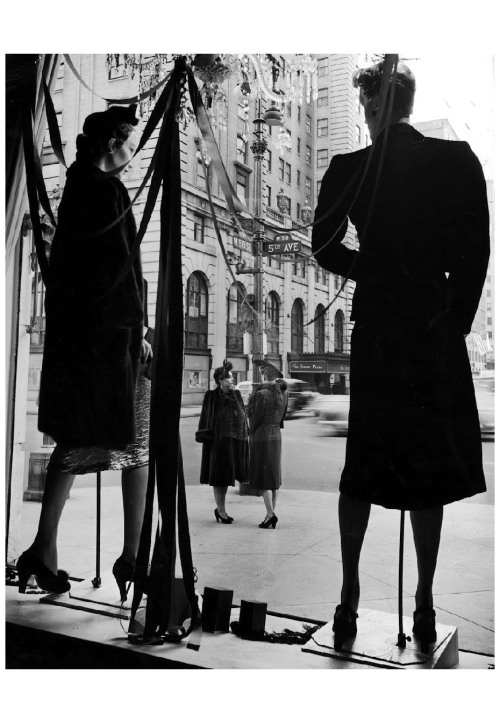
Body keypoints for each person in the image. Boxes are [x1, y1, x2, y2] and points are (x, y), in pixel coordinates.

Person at [312, 60, 490, 652]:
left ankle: (349, 598)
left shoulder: (352, 170)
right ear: (409, 102)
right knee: (428, 472)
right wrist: (453, 313)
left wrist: (372, 270)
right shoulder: (455, 162)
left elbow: (324, 242)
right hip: (431, 331)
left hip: (382, 329)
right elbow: (475, 249)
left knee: (364, 462)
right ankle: (423, 600)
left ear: (369, 108)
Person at [17, 104, 153, 602]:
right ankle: (132, 556)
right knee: (135, 443)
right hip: (110, 345)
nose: (134, 153)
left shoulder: (78, 188)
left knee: (76, 441)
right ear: (115, 143)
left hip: (84, 342)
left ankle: (44, 546)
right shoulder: (106, 190)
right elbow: (120, 270)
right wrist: (137, 329)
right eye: (130, 141)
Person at [197, 359, 249, 523]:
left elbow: (242, 416)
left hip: (232, 440)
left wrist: (233, 396)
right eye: (229, 377)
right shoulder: (211, 396)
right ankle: (221, 509)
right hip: (217, 442)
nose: (232, 380)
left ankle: (221, 509)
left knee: (226, 477)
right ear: (221, 380)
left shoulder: (236, 394)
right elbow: (205, 418)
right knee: (218, 477)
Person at [247, 360, 288, 529]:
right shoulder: (283, 392)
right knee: (273, 477)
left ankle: (270, 515)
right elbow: (283, 416)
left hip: (262, 435)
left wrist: (251, 430)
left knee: (263, 477)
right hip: (276, 435)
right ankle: (269, 514)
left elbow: (255, 417)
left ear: (264, 375)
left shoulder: (261, 393)